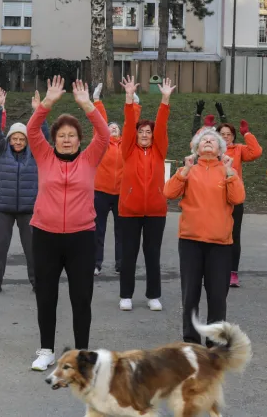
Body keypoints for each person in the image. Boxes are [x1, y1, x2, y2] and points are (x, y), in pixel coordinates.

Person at [26, 76, 110, 371]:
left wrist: (87, 105)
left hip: (81, 238)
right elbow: (31, 129)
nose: (65, 138)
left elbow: (104, 134)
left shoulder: (89, 159)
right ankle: (46, 350)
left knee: (81, 298)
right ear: (54, 139)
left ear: (79, 139)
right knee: (47, 295)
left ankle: (82, 355)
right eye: (61, 134)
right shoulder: (43, 155)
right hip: (46, 236)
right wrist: (47, 102)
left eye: (71, 134)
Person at [164, 129, 245, 344]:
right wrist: (185, 170)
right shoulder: (188, 170)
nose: (208, 142)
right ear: (196, 148)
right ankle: (190, 341)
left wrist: (229, 173)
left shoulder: (229, 171)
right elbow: (169, 193)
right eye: (204, 141)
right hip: (191, 241)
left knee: (217, 297)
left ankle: (215, 341)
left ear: (220, 149)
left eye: (213, 141)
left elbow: (237, 198)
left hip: (220, 244)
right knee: (190, 295)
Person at [118, 75, 175, 312]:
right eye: (141, 131)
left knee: (152, 255)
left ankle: (153, 295)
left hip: (155, 211)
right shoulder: (127, 149)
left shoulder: (159, 151)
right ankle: (126, 296)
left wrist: (165, 99)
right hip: (129, 212)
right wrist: (129, 99)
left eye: (147, 132)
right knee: (128, 255)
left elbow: (161, 126)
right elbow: (128, 126)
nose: (144, 134)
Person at [0, 87, 50, 295]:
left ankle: (37, 281)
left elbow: (45, 136)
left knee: (34, 249)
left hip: (30, 208)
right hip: (3, 207)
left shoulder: (36, 152)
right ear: (10, 139)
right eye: (15, 138)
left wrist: (39, 111)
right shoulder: (1, 150)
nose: (18, 141)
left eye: (22, 138)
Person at [215, 107, 263, 288]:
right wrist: (205, 130)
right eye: (222, 134)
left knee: (234, 236)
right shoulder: (212, 149)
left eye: (229, 134)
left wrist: (247, 134)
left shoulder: (239, 150)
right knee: (215, 235)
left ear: (234, 137)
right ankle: (216, 269)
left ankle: (232, 273)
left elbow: (256, 152)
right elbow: (194, 146)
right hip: (214, 199)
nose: (226, 137)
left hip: (234, 199)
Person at [91, 83, 127, 276]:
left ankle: (121, 263)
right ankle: (96, 263)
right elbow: (100, 123)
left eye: (116, 128)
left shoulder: (127, 145)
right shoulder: (102, 143)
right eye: (110, 127)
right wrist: (97, 101)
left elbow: (131, 124)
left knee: (122, 232)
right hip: (101, 192)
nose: (112, 129)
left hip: (121, 193)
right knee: (98, 230)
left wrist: (133, 102)